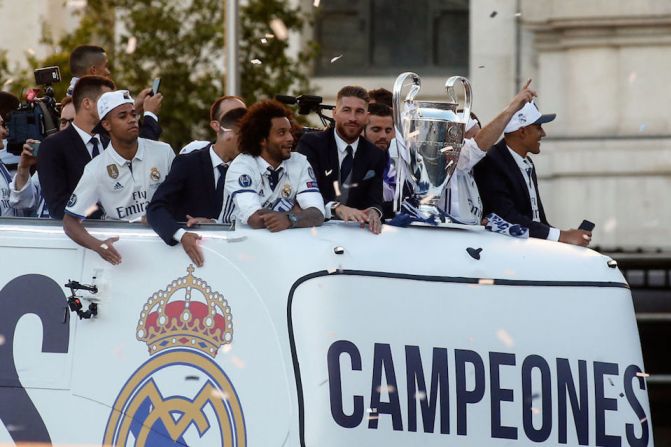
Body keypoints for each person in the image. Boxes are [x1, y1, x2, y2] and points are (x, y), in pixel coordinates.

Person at [62, 90, 175, 264]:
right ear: (106, 124)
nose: (132, 120)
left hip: (166, 247)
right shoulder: (96, 169)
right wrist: (99, 246)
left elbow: (182, 198)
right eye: (122, 116)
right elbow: (70, 221)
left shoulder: (163, 152)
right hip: (125, 255)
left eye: (134, 114)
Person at [473, 100, 592, 246]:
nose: (543, 133)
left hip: (530, 249)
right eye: (538, 127)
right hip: (508, 253)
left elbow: (537, 220)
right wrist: (561, 235)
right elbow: (505, 217)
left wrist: (566, 238)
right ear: (522, 131)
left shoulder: (526, 163)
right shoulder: (491, 162)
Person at [147, 107, 247, 267]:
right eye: (245, 137)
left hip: (232, 260)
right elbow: (156, 208)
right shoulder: (188, 163)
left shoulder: (247, 169)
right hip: (185, 261)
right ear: (227, 132)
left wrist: (214, 223)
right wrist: (181, 235)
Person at [440, 80, 537, 225]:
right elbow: (476, 148)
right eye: (471, 140)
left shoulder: (476, 173)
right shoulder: (448, 162)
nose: (483, 149)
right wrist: (512, 108)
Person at [223, 100, 324, 232]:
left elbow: (317, 214)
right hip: (235, 243)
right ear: (262, 140)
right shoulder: (242, 166)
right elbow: (255, 220)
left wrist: (289, 218)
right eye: (281, 133)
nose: (290, 138)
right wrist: (296, 213)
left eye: (290, 131)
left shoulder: (299, 162)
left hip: (281, 243)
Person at [297, 86, 386, 234]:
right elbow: (302, 190)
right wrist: (335, 207)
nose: (352, 118)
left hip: (354, 234)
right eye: (346, 110)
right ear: (334, 113)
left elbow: (374, 198)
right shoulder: (311, 144)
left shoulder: (375, 155)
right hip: (312, 230)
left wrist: (373, 211)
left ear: (367, 117)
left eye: (359, 111)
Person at [38, 75, 115, 219]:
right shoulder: (53, 146)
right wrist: (108, 212)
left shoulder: (111, 143)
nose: (112, 107)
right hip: (77, 237)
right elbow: (58, 206)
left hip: (120, 234)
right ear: (87, 103)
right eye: (106, 101)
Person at [68, 44, 162, 141]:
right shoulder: (90, 108)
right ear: (93, 70)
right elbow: (137, 150)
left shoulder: (71, 102)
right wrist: (150, 114)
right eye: (106, 66)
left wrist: (135, 108)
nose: (108, 72)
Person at [179, 95, 247, 154]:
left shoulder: (253, 158)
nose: (240, 121)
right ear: (216, 125)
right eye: (232, 116)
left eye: (244, 115)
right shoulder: (193, 151)